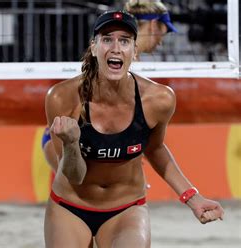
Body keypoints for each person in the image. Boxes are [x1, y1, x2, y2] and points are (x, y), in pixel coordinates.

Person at [44, 10, 224, 247]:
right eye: (107, 39)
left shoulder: (159, 99)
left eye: (125, 41)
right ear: (94, 47)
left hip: (126, 208)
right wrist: (70, 143)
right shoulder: (61, 97)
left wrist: (192, 197)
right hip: (71, 205)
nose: (116, 47)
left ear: (135, 51)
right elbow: (74, 176)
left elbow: (156, 149)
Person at [41, 0, 178, 171]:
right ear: (153, 25)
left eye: (124, 41)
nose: (161, 41)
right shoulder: (109, 55)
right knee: (80, 189)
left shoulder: (126, 61)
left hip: (91, 139)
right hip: (66, 137)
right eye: (164, 32)